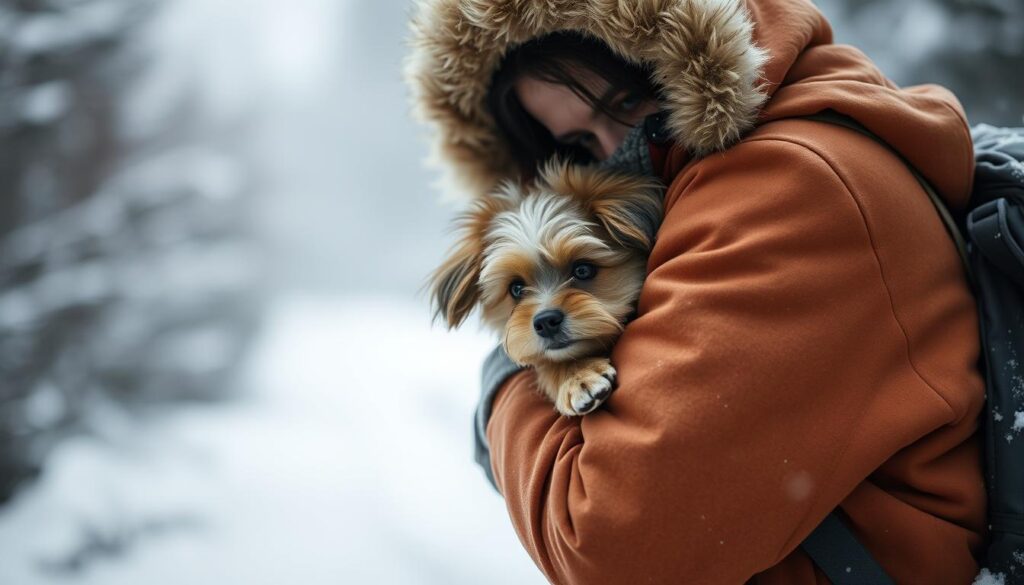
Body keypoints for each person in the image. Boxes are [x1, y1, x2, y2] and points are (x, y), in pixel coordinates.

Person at [407, 0, 987, 583]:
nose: (613, 157)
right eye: (581, 144)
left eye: (630, 103)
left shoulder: (786, 188)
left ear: (688, 60)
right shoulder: (730, 180)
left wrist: (506, 383)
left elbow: (607, 546)